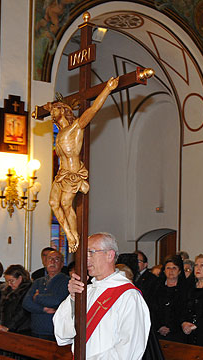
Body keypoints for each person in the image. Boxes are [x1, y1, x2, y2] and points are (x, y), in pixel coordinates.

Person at [53, 232, 150, 360]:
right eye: (84, 253)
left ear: (110, 255)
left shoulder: (128, 296)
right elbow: (62, 334)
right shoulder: (86, 290)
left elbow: (130, 347)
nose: (85, 259)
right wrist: (72, 298)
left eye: (91, 252)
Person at [44, 76, 119, 253]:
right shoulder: (60, 132)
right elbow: (47, 109)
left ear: (63, 110)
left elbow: (93, 109)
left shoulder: (76, 127)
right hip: (61, 173)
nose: (52, 112)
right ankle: (68, 232)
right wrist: (44, 109)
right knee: (53, 203)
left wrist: (107, 89)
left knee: (65, 203)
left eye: (55, 109)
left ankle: (73, 236)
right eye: (52, 110)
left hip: (73, 174)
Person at [23, 250, 69, 340]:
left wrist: (37, 297)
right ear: (45, 262)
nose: (52, 262)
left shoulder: (66, 281)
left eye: (57, 259)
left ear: (62, 264)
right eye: (50, 259)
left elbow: (56, 301)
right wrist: (43, 309)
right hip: (36, 330)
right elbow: (26, 303)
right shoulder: (38, 281)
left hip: (54, 332)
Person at [0, 264, 32, 334]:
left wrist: (9, 327)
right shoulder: (7, 290)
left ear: (20, 278)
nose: (9, 284)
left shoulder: (29, 290)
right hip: (7, 328)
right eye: (7, 281)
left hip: (22, 330)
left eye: (11, 281)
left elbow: (23, 312)